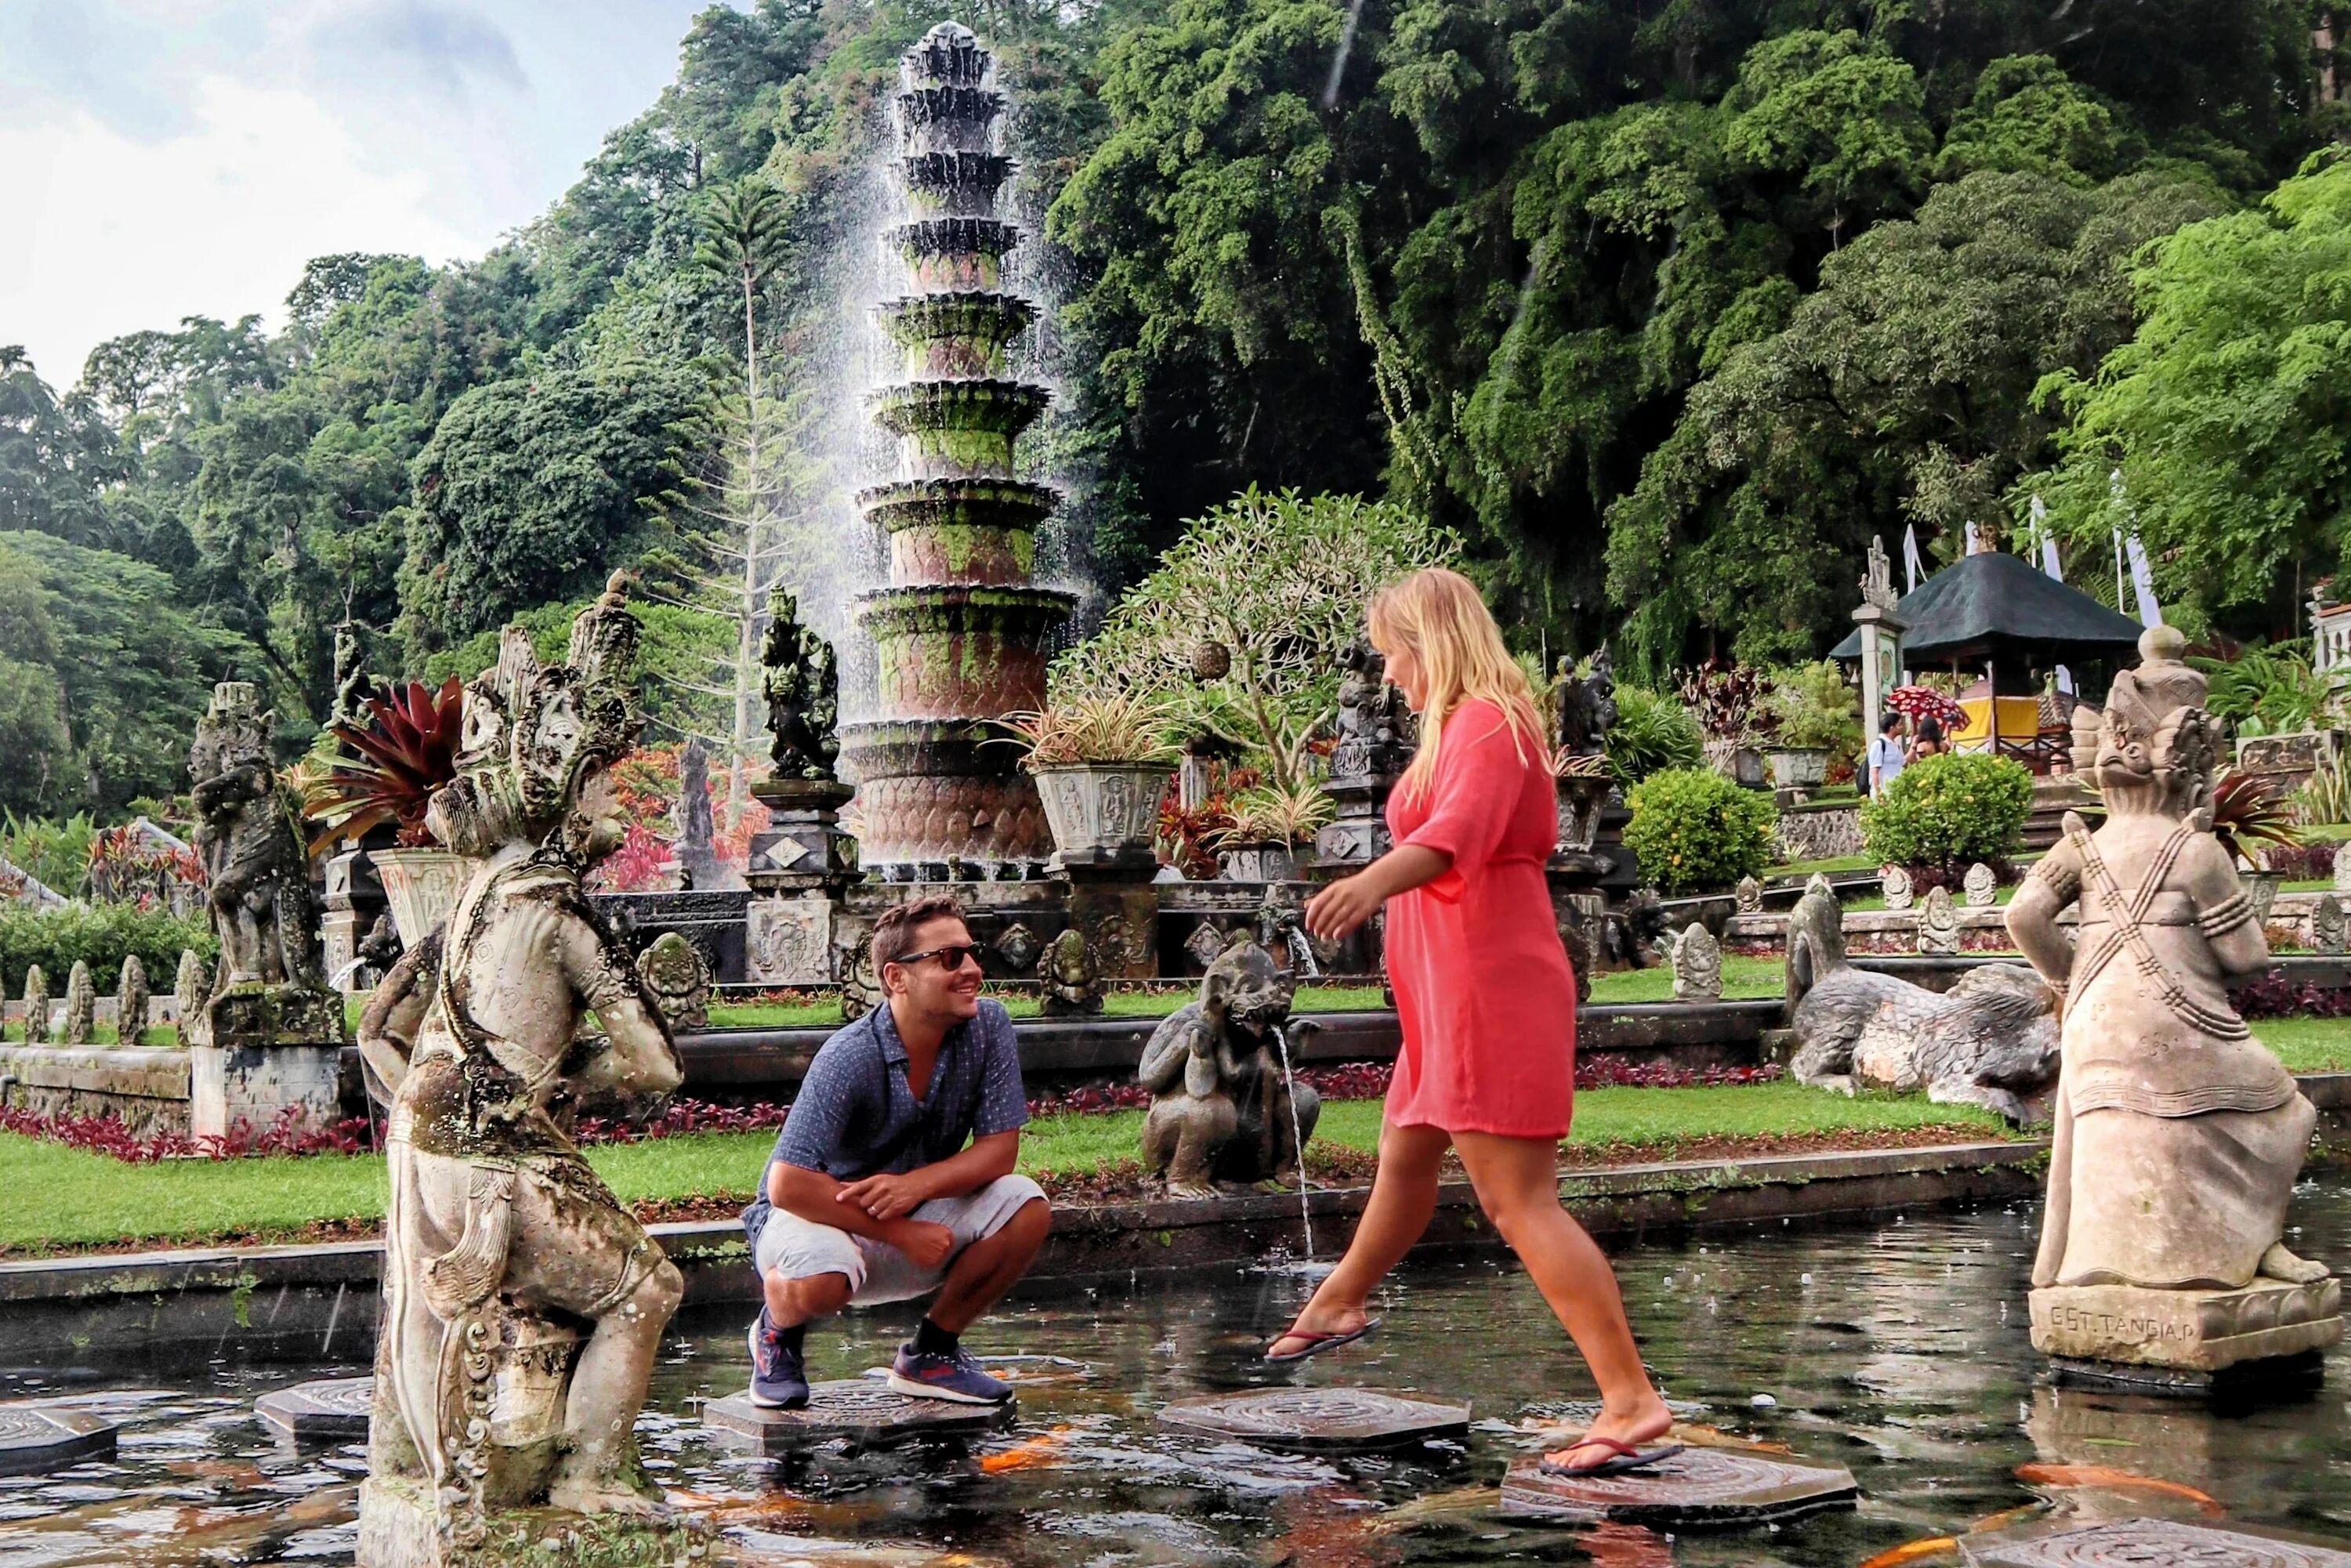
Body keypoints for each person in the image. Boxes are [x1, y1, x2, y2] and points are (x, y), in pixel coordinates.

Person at [1275, 567, 1677, 1479]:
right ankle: (1340, 1299)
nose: (1390, 677)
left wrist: (1371, 881)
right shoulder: (1460, 727)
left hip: (1489, 989)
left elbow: (1459, 832)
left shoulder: (1490, 723)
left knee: (1517, 1201)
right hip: (1445, 995)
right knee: (1406, 1152)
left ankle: (1630, 1399)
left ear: (1432, 642)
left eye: (1394, 655)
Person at [741, 895, 1051, 1408]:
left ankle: (931, 1353)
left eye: (972, 954)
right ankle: (776, 1330)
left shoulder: (987, 1027)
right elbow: (787, 1185)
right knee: (825, 1277)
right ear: (896, 977)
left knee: (1025, 1204)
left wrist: (915, 1188)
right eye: (950, 958)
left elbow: (999, 1152)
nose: (972, 969)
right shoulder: (849, 1056)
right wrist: (899, 1231)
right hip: (814, 1221)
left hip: (912, 1217)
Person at [1867, 711, 1907, 798]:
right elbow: (1874, 772)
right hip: (1884, 793)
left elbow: (1904, 763)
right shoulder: (1879, 745)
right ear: (1892, 728)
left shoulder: (1896, 746)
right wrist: (1879, 795)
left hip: (1896, 792)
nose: (1902, 727)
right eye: (1900, 724)